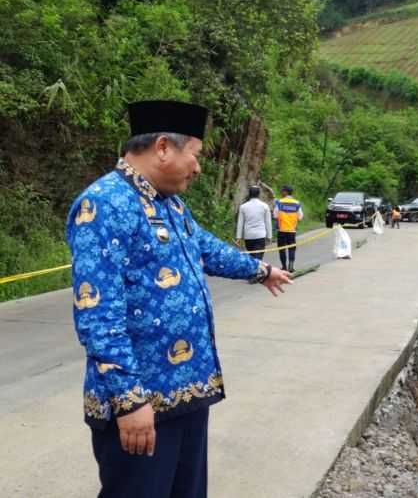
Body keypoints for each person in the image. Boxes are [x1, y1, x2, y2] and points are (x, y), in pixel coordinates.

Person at [65, 100, 292, 498]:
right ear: (164, 147)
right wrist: (130, 401)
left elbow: (205, 249)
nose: (199, 166)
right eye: (196, 154)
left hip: (187, 390)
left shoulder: (169, 203)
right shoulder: (103, 204)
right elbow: (98, 314)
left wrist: (261, 271)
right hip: (142, 400)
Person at [236, 185, 273, 267]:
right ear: (258, 194)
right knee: (258, 256)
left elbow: (240, 223)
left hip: (248, 236)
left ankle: (254, 274)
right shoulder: (264, 206)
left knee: (251, 256)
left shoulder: (243, 207)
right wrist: (269, 236)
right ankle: (256, 274)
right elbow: (268, 222)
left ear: (249, 194)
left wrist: (238, 237)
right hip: (260, 235)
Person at [274, 185, 303, 273]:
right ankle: (291, 266)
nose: (281, 192)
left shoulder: (279, 202)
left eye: (282, 191)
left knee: (282, 249)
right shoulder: (296, 203)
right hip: (292, 230)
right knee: (291, 248)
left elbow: (275, 215)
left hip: (281, 230)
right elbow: (300, 216)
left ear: (286, 192)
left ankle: (284, 266)